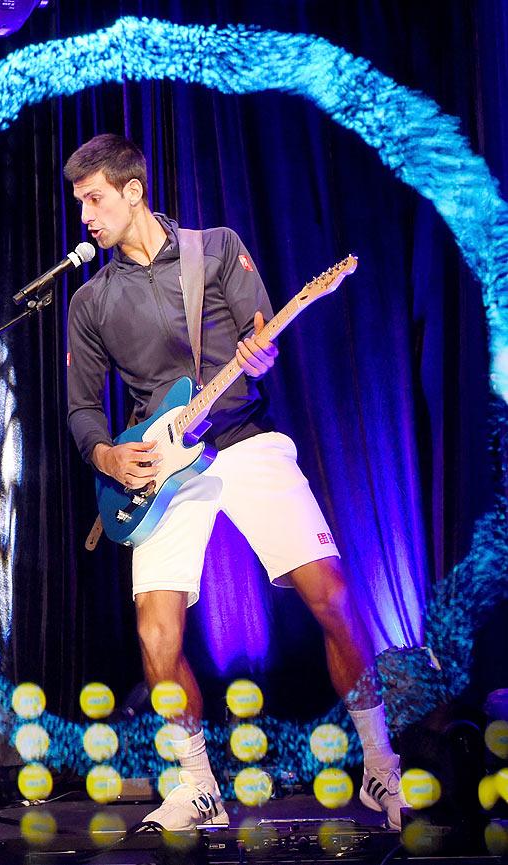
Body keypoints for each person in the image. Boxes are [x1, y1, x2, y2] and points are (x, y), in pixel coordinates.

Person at [64, 133, 407, 831]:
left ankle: (380, 767)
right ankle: (197, 786)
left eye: (94, 198)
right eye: (79, 203)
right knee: (156, 632)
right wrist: (107, 457)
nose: (85, 216)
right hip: (159, 467)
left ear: (133, 191)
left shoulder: (214, 248)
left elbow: (261, 333)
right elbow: (80, 407)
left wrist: (262, 348)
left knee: (334, 595)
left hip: (244, 440)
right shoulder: (90, 300)